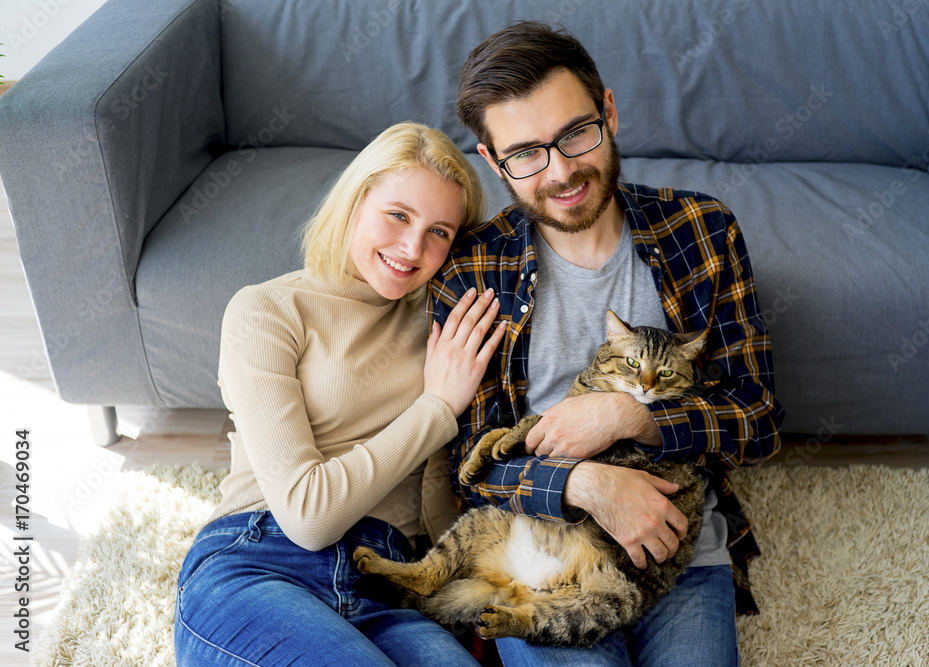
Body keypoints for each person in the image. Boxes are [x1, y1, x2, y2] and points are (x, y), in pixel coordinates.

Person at [429, 22, 785, 665]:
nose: (562, 171)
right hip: (540, 552)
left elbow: (758, 420)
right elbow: (471, 470)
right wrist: (586, 484)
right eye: (526, 154)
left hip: (675, 549)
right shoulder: (471, 271)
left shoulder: (703, 233)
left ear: (609, 112)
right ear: (493, 160)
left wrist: (631, 417)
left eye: (576, 134)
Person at [174, 122, 505, 666]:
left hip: (387, 586)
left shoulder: (445, 325)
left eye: (439, 231)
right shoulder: (268, 310)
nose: (412, 248)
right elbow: (308, 517)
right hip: (261, 562)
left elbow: (439, 489)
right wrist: (438, 407)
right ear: (355, 201)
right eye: (398, 215)